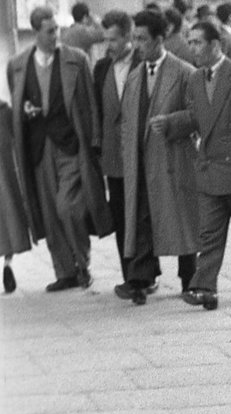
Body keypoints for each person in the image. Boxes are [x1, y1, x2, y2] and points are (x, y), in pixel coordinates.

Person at [155, 17, 231, 309]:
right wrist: (170, 123)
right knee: (209, 234)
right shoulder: (196, 78)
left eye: (197, 42)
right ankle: (205, 287)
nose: (191, 48)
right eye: (190, 41)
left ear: (215, 45)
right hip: (209, 169)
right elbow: (197, 116)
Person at [6, 5, 111, 292]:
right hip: (39, 149)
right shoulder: (17, 65)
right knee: (50, 213)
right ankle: (65, 272)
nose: (56, 36)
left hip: (71, 146)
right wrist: (26, 108)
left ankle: (82, 264)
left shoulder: (75, 60)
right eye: (50, 31)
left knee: (70, 208)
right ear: (36, 32)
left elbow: (90, 105)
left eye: (58, 30)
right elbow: (19, 104)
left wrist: (95, 143)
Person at [117, 10, 199, 304]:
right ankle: (139, 279)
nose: (137, 45)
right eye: (134, 38)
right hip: (141, 162)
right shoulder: (136, 75)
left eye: (142, 39)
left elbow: (200, 115)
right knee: (141, 219)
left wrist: (173, 122)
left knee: (182, 219)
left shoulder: (184, 72)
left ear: (159, 39)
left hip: (174, 160)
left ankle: (191, 279)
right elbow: (127, 119)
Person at [93, 10, 140, 285]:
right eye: (105, 39)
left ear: (128, 36)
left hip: (139, 152)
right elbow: (96, 110)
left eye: (113, 39)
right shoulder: (101, 68)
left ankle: (145, 271)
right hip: (113, 153)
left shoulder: (142, 63)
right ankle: (129, 275)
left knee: (141, 214)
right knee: (120, 213)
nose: (108, 45)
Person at [0, 99, 31, 293]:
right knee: (8, 218)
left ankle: (7, 264)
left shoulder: (5, 112)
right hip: (5, 176)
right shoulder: (5, 112)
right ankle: (7, 263)